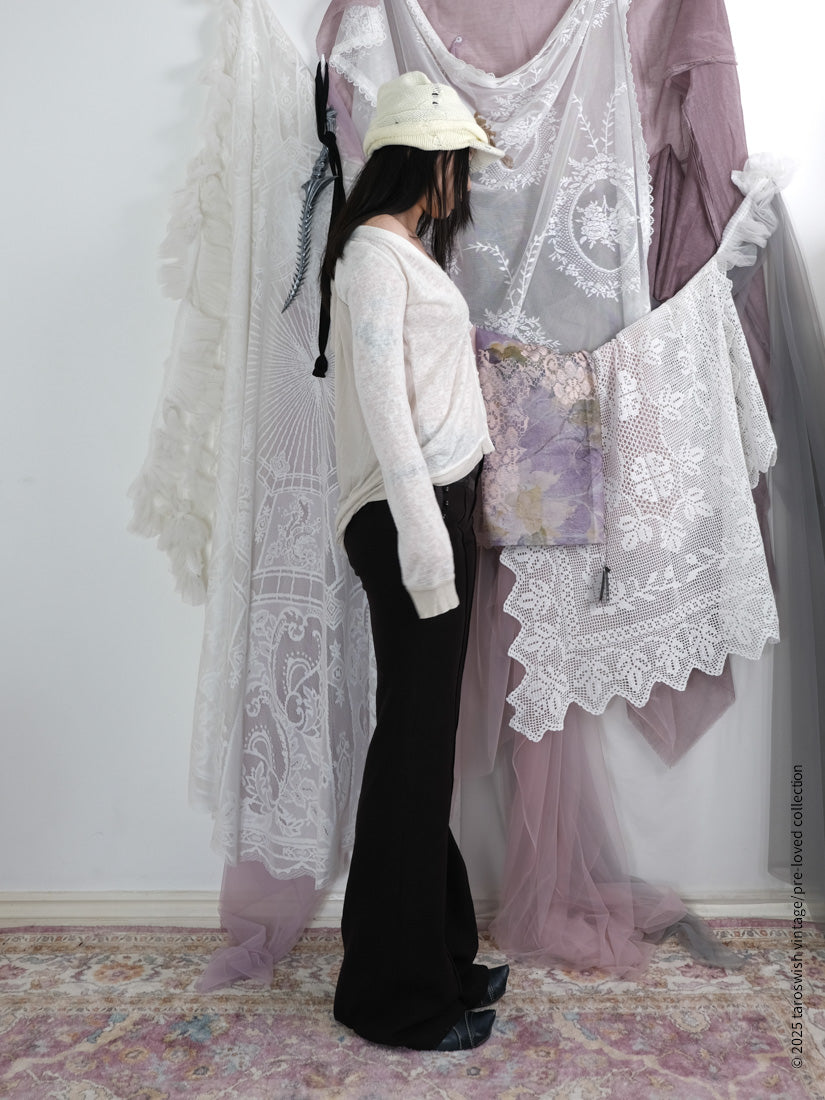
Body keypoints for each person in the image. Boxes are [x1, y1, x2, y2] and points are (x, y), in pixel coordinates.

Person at [321, 71, 510, 1051]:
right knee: (412, 746)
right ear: (426, 163)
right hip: (409, 517)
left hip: (433, 509)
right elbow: (384, 406)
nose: (461, 186)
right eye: (457, 166)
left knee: (420, 743)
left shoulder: (399, 252)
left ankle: (433, 951)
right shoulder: (371, 257)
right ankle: (393, 997)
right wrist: (426, 540)